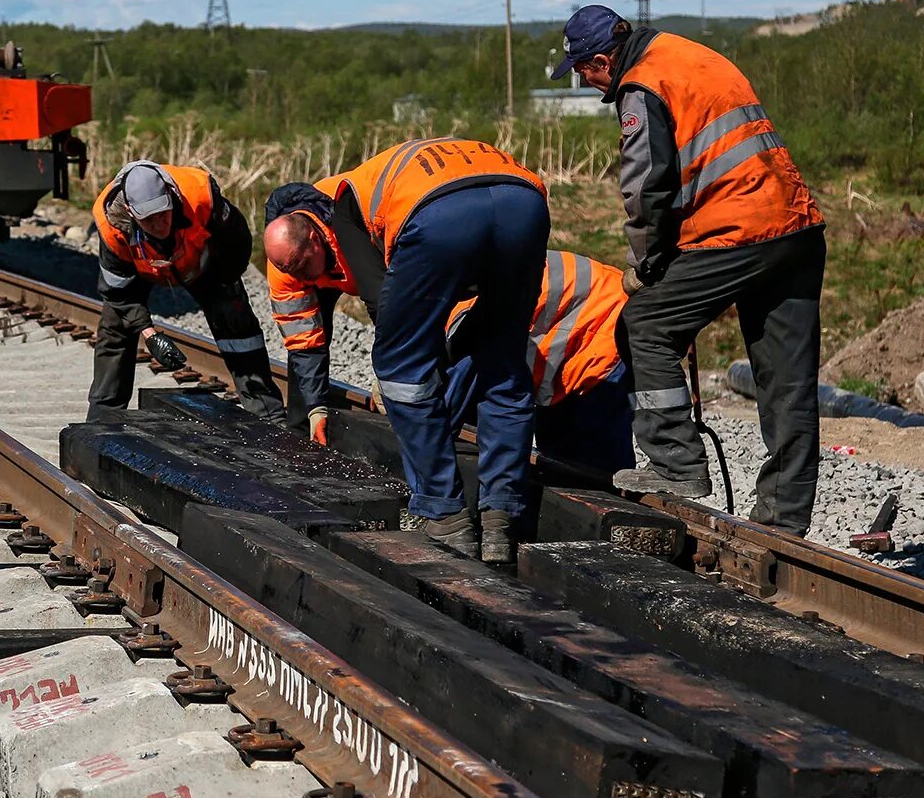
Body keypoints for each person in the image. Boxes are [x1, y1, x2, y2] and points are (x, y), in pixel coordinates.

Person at [553, 4, 825, 536]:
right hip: (796, 227)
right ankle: (784, 523)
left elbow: (645, 183)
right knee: (787, 382)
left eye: (583, 72)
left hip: (740, 231)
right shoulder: (689, 55)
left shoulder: (641, 84)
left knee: (645, 325)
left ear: (603, 61)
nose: (586, 84)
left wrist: (647, 264)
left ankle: (676, 465)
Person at [262, 139, 548, 562]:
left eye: (306, 266)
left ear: (317, 236)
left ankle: (444, 515)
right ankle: (500, 519)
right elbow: (306, 338)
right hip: (524, 204)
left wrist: (402, 369)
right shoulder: (292, 252)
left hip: (441, 215)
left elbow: (385, 305)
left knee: (399, 372)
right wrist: (313, 407)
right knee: (504, 363)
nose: (302, 277)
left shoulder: (343, 211)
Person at [267, 197, 634, 473]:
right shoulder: (436, 296)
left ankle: (623, 540)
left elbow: (448, 403)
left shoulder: (454, 316)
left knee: (592, 469)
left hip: (600, 325)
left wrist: (408, 440)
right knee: (559, 457)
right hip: (568, 327)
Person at [88, 161, 282, 419]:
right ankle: (103, 417)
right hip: (140, 267)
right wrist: (150, 335)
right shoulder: (111, 227)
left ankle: (267, 412)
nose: (159, 225)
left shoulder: (202, 196)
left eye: (163, 214)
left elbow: (237, 239)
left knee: (234, 316)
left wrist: (224, 280)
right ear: (129, 211)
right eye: (149, 219)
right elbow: (119, 293)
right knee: (115, 327)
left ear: (170, 195)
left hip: (199, 260)